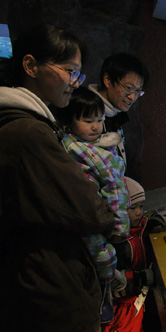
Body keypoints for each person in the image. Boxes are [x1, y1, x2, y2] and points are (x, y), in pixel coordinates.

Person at [0, 23, 115, 332]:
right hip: (51, 292)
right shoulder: (29, 132)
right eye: (69, 71)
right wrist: (112, 215)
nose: (75, 83)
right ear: (30, 66)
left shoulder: (25, 124)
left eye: (78, 75)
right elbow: (89, 210)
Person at [58, 86, 132, 322]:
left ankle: (109, 287)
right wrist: (120, 227)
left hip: (105, 218)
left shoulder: (92, 145)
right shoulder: (76, 151)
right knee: (101, 255)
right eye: (87, 120)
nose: (95, 127)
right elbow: (111, 186)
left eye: (99, 120)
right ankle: (106, 290)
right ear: (70, 121)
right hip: (95, 221)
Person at [102, 176, 166, 332]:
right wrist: (140, 278)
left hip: (135, 303)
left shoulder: (137, 227)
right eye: (132, 208)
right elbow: (112, 280)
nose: (139, 212)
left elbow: (140, 230)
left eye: (141, 206)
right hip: (120, 308)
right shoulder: (116, 242)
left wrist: (150, 223)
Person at [88, 53, 150, 166]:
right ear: (107, 80)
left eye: (138, 91)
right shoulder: (85, 110)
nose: (132, 97)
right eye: (128, 88)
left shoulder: (114, 112)